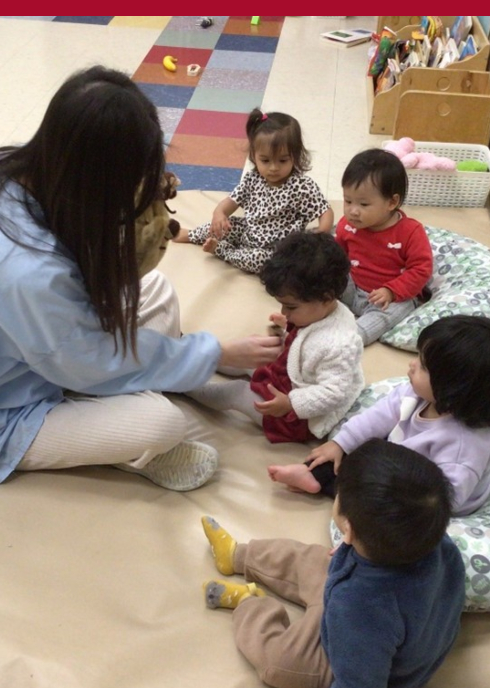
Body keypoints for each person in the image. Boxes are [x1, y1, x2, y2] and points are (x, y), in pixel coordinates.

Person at [0, 66, 283, 492]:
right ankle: (140, 443)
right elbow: (88, 362)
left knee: (155, 289)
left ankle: (188, 380)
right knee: (160, 423)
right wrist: (216, 352)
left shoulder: (7, 169)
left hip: (40, 352)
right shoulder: (25, 267)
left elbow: (77, 312)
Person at [200, 439, 465, 688]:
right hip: (366, 608)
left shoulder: (358, 610)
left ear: (348, 529)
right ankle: (237, 555)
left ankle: (249, 604)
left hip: (361, 664)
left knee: (278, 662)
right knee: (308, 559)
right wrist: (350, 551)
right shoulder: (435, 543)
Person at [269, 315, 490, 516]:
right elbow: (380, 414)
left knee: (380, 507)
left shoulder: (462, 449)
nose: (412, 365)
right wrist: (339, 443)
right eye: (418, 357)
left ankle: (335, 489)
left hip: (425, 497)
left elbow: (444, 502)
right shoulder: (419, 394)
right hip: (401, 461)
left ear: (452, 390)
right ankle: (312, 475)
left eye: (422, 366)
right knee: (354, 449)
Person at [186, 232, 364, 443]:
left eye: (291, 307)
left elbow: (334, 393)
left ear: (326, 298)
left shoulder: (339, 344)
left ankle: (187, 387)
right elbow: (309, 339)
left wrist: (291, 403)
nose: (284, 311)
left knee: (238, 392)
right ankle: (192, 354)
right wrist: (287, 325)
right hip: (288, 373)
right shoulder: (319, 312)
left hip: (295, 416)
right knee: (253, 352)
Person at [175, 109, 333, 273]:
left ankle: (223, 250)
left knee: (262, 262)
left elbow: (325, 211)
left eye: (282, 160)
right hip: (248, 231)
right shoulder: (253, 178)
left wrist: (321, 234)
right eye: (265, 160)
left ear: (296, 155)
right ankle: (191, 235)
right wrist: (219, 214)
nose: (273, 168)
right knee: (225, 226)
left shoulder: (301, 185)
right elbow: (230, 202)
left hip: (276, 249)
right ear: (254, 156)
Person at [335, 148, 433, 345]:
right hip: (352, 287)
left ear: (391, 202)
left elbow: (421, 270)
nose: (353, 211)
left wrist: (392, 291)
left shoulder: (410, 232)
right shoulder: (347, 225)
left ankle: (350, 339)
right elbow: (338, 257)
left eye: (363, 204)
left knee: (397, 309)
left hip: (387, 298)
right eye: (348, 201)